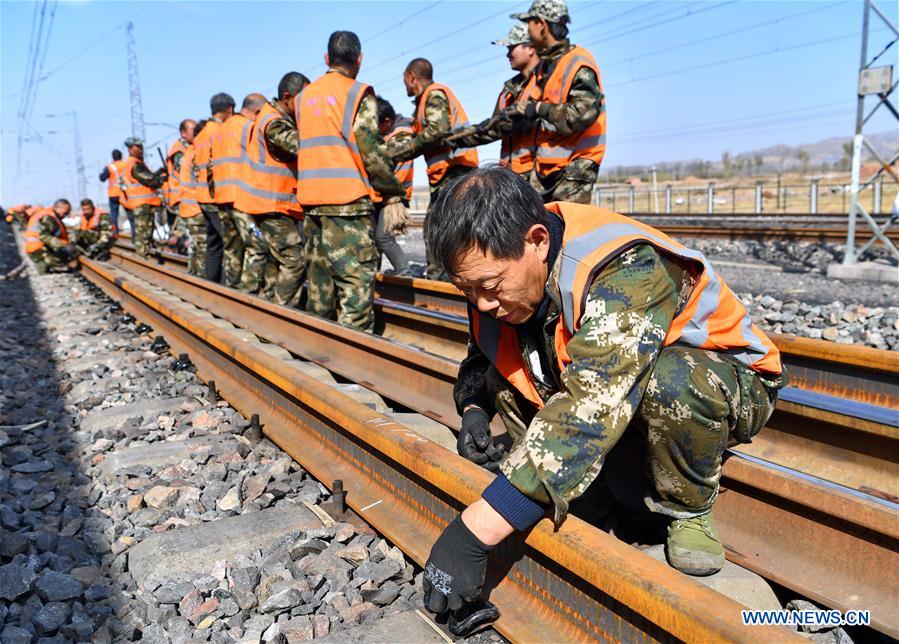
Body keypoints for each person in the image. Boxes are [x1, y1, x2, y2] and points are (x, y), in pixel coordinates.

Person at [419, 166, 786, 617]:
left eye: (489, 287)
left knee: (669, 382)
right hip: (618, 382)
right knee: (508, 374)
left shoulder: (623, 266)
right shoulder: (493, 273)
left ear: (536, 241)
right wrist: (474, 406)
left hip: (718, 380)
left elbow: (593, 399)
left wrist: (476, 530)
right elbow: (484, 346)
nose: (481, 302)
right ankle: (585, 499)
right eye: (466, 289)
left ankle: (687, 510)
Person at [296, 32, 407, 330]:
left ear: (326, 58)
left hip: (310, 202)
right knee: (355, 285)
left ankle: (317, 351)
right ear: (359, 60)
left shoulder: (302, 98)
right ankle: (351, 366)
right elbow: (371, 151)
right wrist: (393, 190)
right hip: (346, 203)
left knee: (320, 286)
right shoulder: (358, 94)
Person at [506, 0, 606, 204]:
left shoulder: (577, 61)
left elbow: (581, 115)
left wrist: (539, 108)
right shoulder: (548, 65)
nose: (527, 30)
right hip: (548, 168)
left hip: (575, 167)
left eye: (530, 23)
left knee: (567, 230)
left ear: (542, 25)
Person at [390, 58, 478, 280]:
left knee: (436, 230)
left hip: (455, 172)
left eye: (405, 81)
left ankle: (442, 282)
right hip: (450, 174)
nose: (405, 86)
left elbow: (437, 130)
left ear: (411, 76)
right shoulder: (425, 101)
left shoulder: (433, 94)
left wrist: (406, 149)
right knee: (444, 230)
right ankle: (447, 280)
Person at [233, 73, 308, 301]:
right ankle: (280, 315)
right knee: (294, 259)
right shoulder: (273, 121)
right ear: (287, 97)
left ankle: (268, 310)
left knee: (278, 262)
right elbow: (300, 146)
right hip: (270, 204)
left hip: (275, 203)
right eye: (304, 100)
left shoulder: (275, 116)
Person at [446, 23, 541, 177]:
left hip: (539, 174)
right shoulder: (507, 91)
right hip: (512, 176)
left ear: (531, 48)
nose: (508, 55)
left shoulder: (544, 81)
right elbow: (493, 128)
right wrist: (458, 138)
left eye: (512, 48)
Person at [212, 93, 267, 289]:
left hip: (222, 198)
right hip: (241, 198)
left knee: (232, 248)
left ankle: (232, 291)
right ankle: (248, 292)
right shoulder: (248, 127)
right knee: (256, 246)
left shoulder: (219, 130)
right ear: (257, 111)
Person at [193, 92, 235, 282]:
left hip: (202, 196)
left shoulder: (201, 134)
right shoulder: (220, 131)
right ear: (230, 109)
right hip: (216, 196)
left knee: (214, 244)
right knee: (230, 244)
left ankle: (211, 285)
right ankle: (227, 287)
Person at [374, 96, 412, 277]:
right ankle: (375, 276)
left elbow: (383, 161)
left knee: (383, 237)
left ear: (387, 121)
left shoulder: (401, 133)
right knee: (376, 239)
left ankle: (404, 272)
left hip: (393, 195)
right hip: (385, 194)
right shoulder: (390, 132)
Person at [119, 137, 166, 257]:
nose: (141, 150)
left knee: (146, 232)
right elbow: (150, 180)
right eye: (138, 147)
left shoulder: (137, 164)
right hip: (141, 204)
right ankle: (142, 256)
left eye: (141, 147)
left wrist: (160, 172)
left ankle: (144, 255)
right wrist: (162, 177)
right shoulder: (134, 165)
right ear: (130, 149)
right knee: (144, 234)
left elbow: (150, 177)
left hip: (144, 204)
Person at [178, 122, 207, 277]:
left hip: (188, 207)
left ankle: (193, 277)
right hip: (196, 207)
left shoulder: (189, 151)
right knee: (203, 246)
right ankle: (202, 281)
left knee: (195, 246)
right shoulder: (196, 152)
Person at [23, 199, 77, 273]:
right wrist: (63, 246)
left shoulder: (52, 216)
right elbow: (44, 236)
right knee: (59, 265)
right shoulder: (48, 217)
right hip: (38, 249)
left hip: (37, 247)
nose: (66, 215)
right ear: (57, 208)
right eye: (65, 212)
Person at [162, 119, 197, 228]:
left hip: (190, 197)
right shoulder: (179, 150)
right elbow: (189, 170)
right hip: (182, 198)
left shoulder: (191, 147)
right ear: (183, 133)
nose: (196, 132)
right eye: (193, 130)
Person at [99, 150, 127, 232]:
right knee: (130, 213)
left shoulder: (109, 167)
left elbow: (102, 178)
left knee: (114, 214)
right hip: (125, 192)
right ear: (121, 156)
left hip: (113, 194)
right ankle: (134, 231)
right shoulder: (126, 164)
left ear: (113, 157)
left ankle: (115, 231)